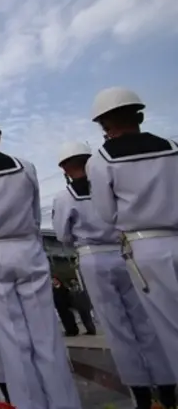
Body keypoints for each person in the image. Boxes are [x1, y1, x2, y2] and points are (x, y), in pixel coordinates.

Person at [0, 114, 80, 409]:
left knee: (13, 338)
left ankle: (29, 403)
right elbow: (35, 212)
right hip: (28, 247)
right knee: (46, 334)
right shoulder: (26, 167)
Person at [54, 141, 173, 409]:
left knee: (118, 328)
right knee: (145, 323)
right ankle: (167, 388)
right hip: (124, 251)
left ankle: (141, 393)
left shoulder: (65, 198)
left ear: (64, 167)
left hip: (93, 257)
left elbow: (62, 235)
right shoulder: (110, 185)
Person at [86, 87, 178, 396]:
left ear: (104, 124)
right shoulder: (173, 147)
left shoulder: (101, 161)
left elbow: (106, 212)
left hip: (145, 247)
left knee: (168, 329)